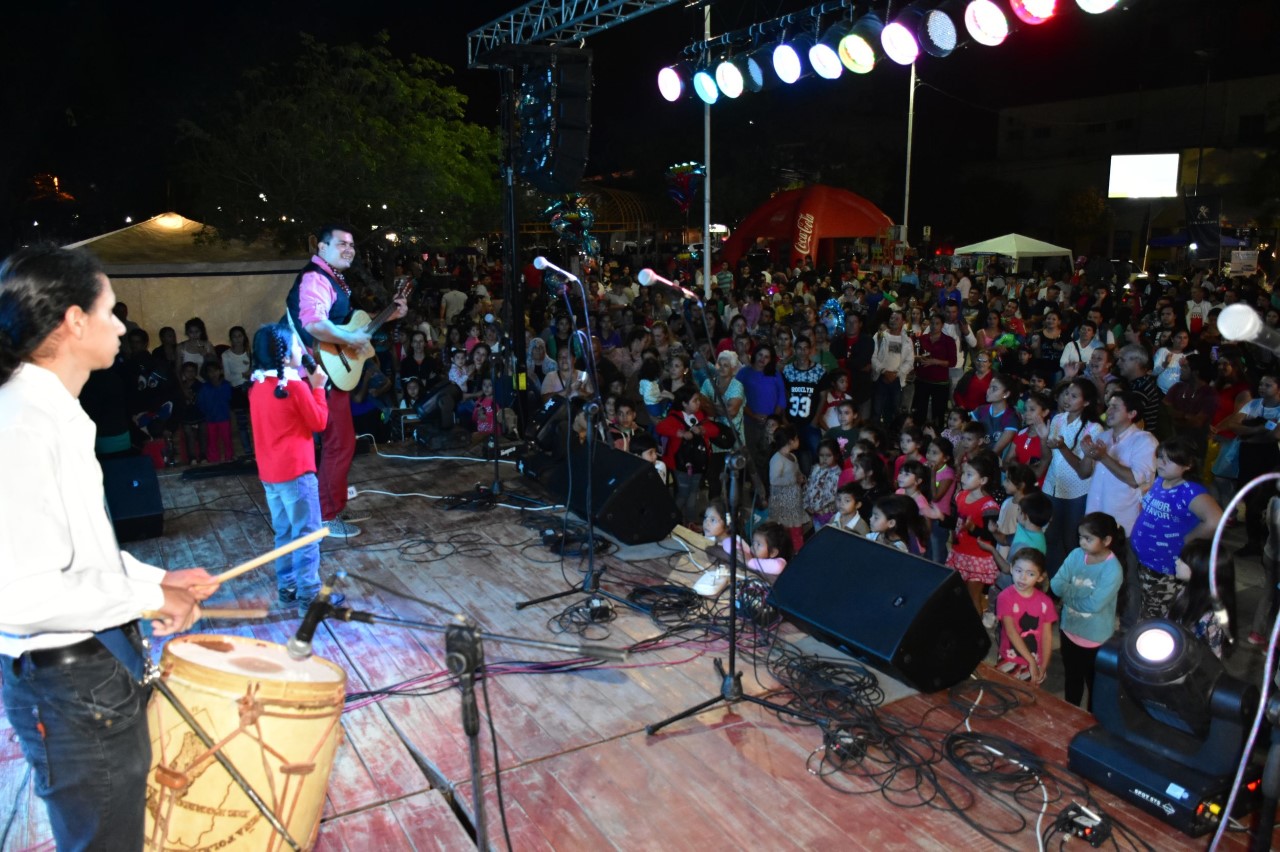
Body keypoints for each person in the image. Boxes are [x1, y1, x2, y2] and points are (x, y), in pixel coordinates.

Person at [0, 244, 209, 850]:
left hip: (93, 672)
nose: (121, 326)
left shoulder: (55, 412)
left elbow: (83, 552)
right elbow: (23, 592)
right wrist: (146, 596)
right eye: (111, 311)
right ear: (72, 321)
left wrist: (158, 579)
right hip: (68, 689)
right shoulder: (20, 423)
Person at [284, 224, 407, 538]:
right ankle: (327, 516)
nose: (349, 249)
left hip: (326, 374)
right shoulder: (315, 277)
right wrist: (349, 337)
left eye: (352, 244)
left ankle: (332, 507)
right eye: (341, 244)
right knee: (340, 445)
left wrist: (390, 315)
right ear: (321, 248)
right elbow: (314, 323)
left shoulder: (333, 279)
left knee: (339, 445)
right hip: (319, 376)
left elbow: (354, 328)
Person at [248, 323, 345, 613]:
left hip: (270, 475)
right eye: (295, 346)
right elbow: (319, 422)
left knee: (285, 534)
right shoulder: (295, 388)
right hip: (297, 474)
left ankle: (288, 589)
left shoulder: (257, 385)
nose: (300, 350)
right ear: (285, 356)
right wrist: (318, 388)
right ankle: (310, 598)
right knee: (307, 534)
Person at [1129, 437, 1222, 624]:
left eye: (1168, 459)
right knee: (1147, 612)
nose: (1160, 463)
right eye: (1160, 457)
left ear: (1187, 465)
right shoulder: (1161, 481)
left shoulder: (1190, 491)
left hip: (1166, 570)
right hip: (1147, 564)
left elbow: (1215, 521)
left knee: (1155, 621)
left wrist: (1186, 539)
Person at [1051, 512, 1125, 711]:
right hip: (1069, 629)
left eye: (1088, 538)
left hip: (1095, 638)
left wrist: (1068, 595)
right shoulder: (1076, 555)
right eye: (1080, 537)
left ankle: (1091, 722)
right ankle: (1069, 715)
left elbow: (1094, 605)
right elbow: (1056, 584)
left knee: (1094, 685)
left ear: (1107, 540)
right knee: (1072, 679)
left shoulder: (1112, 569)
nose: (1082, 543)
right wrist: (1078, 595)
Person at [1083, 390, 1158, 534]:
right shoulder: (1103, 437)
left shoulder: (1144, 440)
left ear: (1131, 414)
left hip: (1123, 520)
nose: (1108, 411)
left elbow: (1134, 480)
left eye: (1115, 407)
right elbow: (1084, 473)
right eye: (1109, 406)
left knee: (1121, 556)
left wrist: (1103, 457)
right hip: (1094, 514)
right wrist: (1087, 455)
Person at [995, 548, 1057, 684]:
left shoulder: (1045, 602)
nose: (1022, 577)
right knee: (1005, 696)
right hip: (1010, 659)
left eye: (1030, 574)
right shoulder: (1005, 597)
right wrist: (1031, 661)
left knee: (1028, 699)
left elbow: (1047, 637)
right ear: (1011, 569)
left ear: (1040, 577)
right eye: (1019, 571)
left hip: (1036, 661)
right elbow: (1011, 632)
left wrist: (1043, 665)